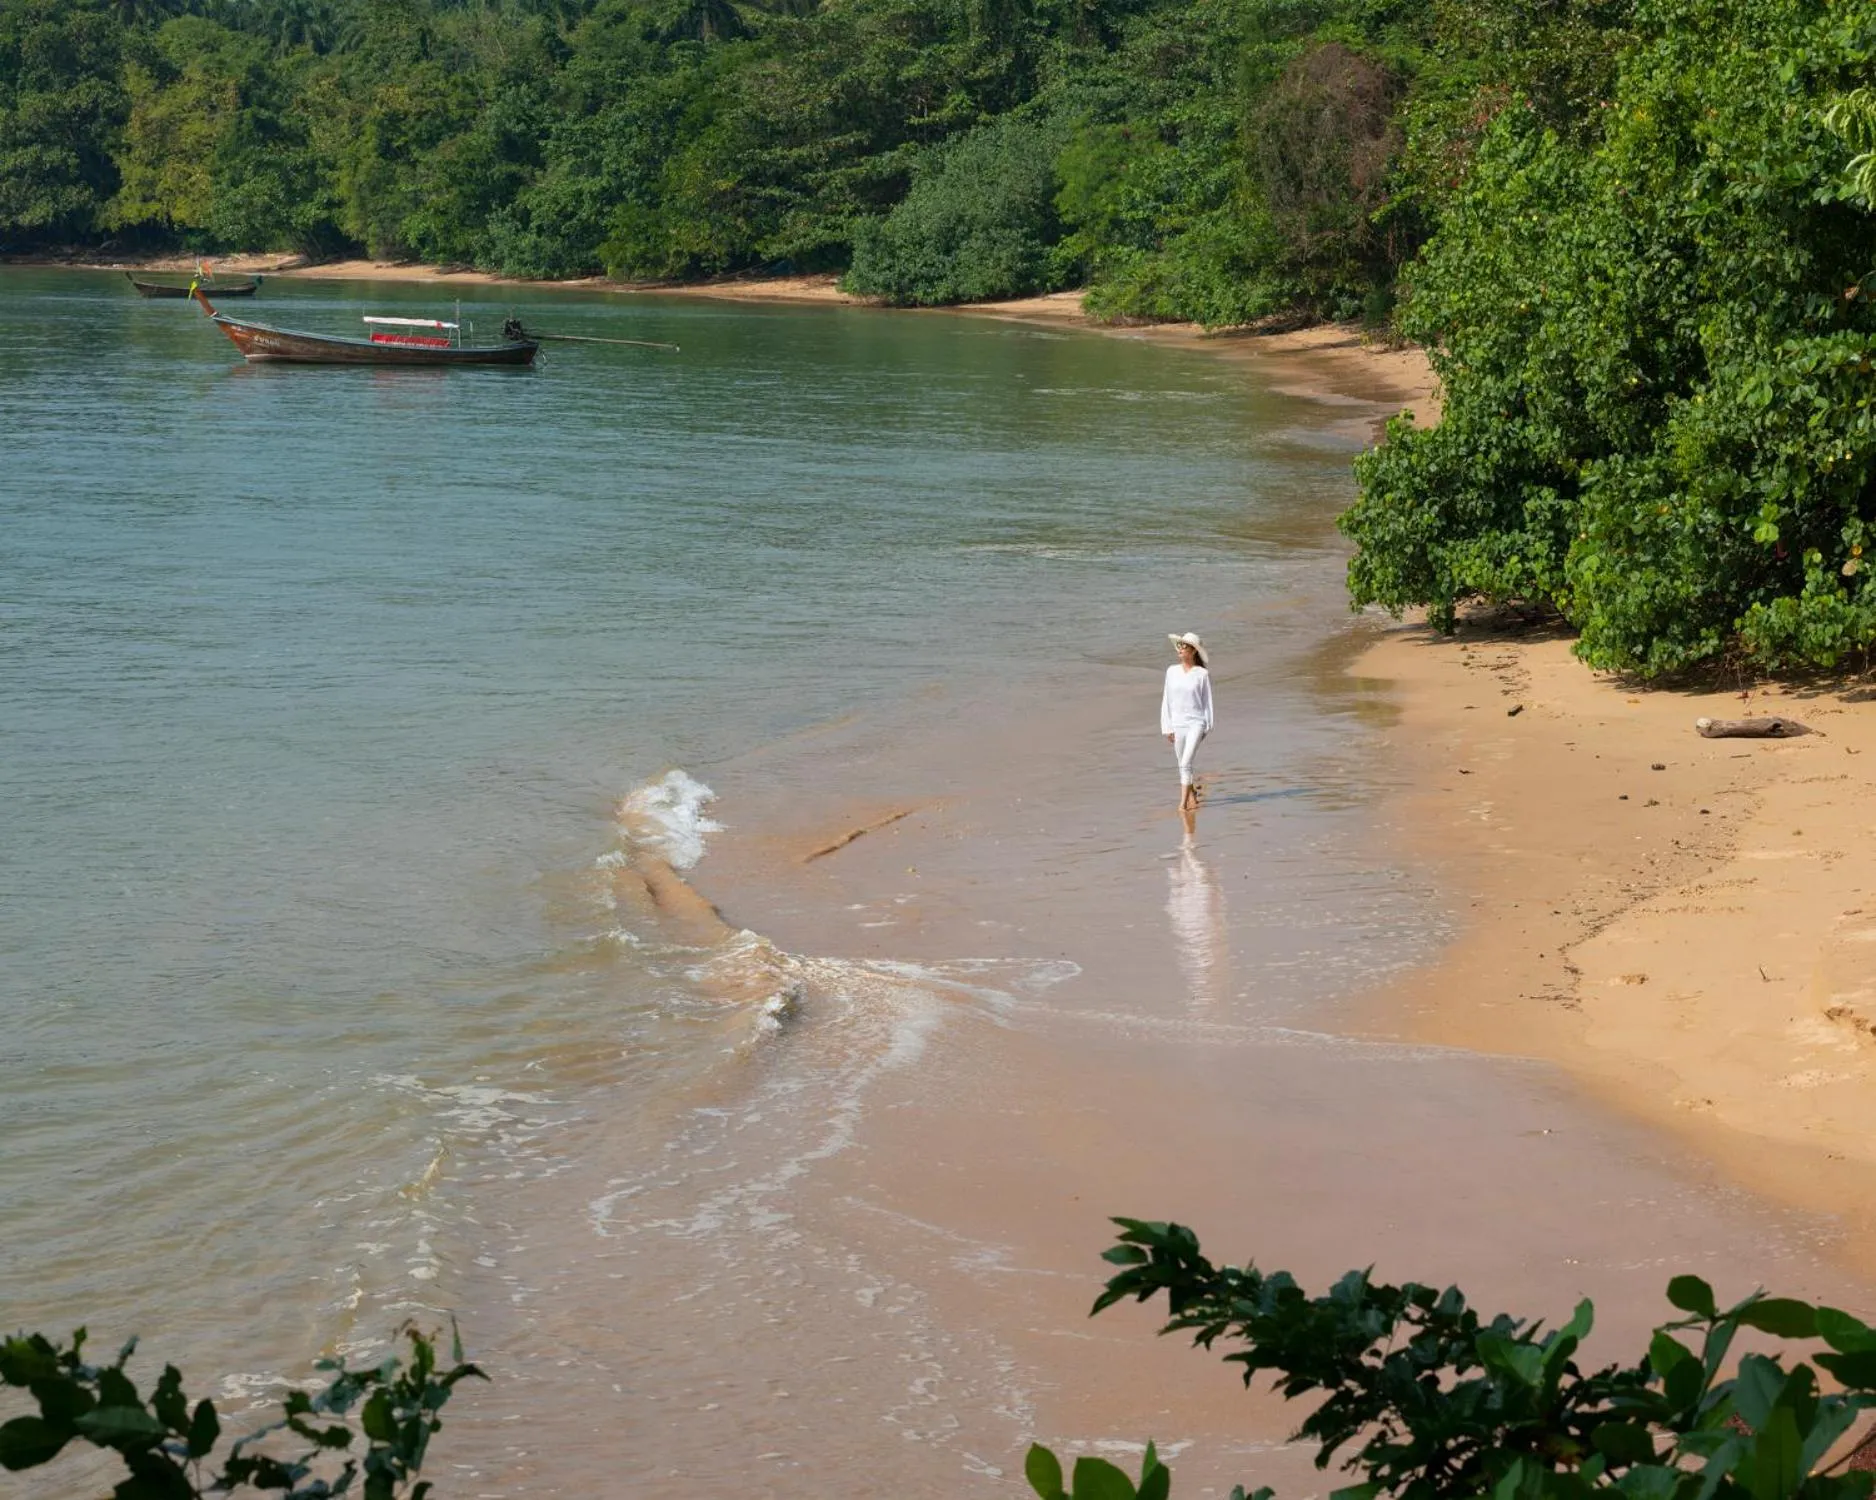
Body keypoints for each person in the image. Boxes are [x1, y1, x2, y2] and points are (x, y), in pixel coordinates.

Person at [1161, 632, 1213, 812]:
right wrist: (1166, 726)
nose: (1180, 649)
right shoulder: (1171, 671)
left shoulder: (1202, 674)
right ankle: (1192, 795)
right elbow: (1166, 700)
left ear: (1193, 651)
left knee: (1185, 764)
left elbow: (1207, 703)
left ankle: (1182, 805)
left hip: (1196, 723)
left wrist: (1206, 728)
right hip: (1177, 723)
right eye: (1180, 646)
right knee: (1183, 763)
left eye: (1184, 647)